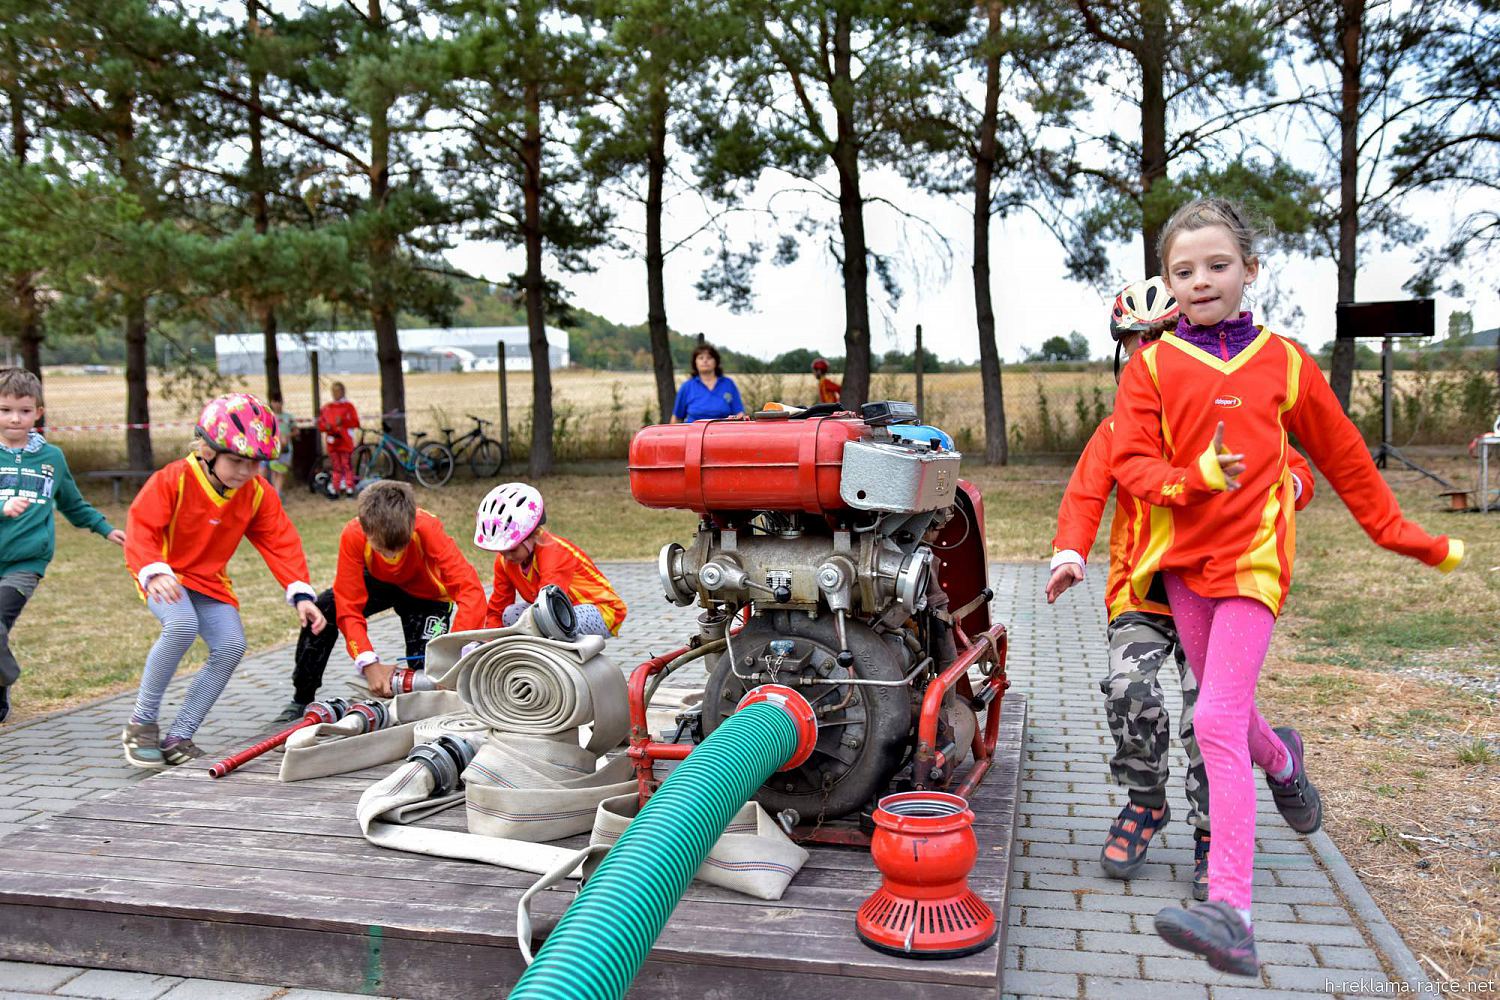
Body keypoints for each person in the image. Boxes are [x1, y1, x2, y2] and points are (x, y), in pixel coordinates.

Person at [1109, 197, 1464, 976]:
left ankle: (1231, 912)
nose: (1201, 281)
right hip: (1184, 570)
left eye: (1217, 265)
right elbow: (1127, 465)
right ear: (1168, 283)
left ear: (1249, 270)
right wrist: (1189, 477)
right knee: (1236, 719)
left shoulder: (1287, 361)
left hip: (1255, 566)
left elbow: (1345, 460)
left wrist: (1404, 534)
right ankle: (1285, 762)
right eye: (1183, 270)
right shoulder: (1154, 368)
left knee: (1213, 718)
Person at [1046, 279, 1316, 902]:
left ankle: (1210, 830)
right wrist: (1069, 554)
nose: (1146, 351)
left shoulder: (1227, 411)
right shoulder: (1118, 429)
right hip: (1143, 590)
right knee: (1128, 689)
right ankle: (1146, 804)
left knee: (1208, 716)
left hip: (1220, 587)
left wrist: (1287, 492)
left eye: (1158, 336)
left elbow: (1291, 467)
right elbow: (1087, 493)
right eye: (1133, 341)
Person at [122, 393, 326, 768]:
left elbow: (280, 540)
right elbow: (142, 527)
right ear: (206, 450)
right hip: (164, 576)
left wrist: (301, 594)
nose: (246, 472)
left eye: (255, 464)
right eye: (236, 461)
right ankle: (141, 725)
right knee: (181, 626)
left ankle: (180, 735)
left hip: (209, 581)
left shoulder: (255, 494)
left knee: (232, 645)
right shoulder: (174, 479)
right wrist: (154, 570)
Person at [282, 480, 485, 717]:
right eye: (382, 549)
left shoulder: (428, 527)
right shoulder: (353, 534)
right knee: (324, 610)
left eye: (401, 546)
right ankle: (301, 698)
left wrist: (451, 653)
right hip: (377, 584)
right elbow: (348, 606)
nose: (393, 555)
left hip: (425, 593)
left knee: (431, 671)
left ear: (412, 523)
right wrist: (368, 663)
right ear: (365, 530)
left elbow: (471, 590)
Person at [0, 368, 126, 725]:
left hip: (26, 562)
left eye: (24, 410)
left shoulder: (51, 459)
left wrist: (104, 528)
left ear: (38, 412)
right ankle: (3, 679)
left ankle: (2, 680)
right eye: (5, 409)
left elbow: (72, 503)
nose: (14, 418)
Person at [475, 482, 626, 638]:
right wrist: (489, 642)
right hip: (559, 611)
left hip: (602, 610)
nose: (506, 556)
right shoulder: (504, 561)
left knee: (552, 623)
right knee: (510, 615)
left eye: (512, 549)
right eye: (501, 550)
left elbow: (548, 606)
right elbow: (497, 610)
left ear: (531, 536)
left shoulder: (555, 552)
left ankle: (560, 659)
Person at [670, 344, 745, 423]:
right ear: (695, 362)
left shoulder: (728, 384)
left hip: (723, 432)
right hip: (694, 434)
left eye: (709, 357)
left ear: (716, 362)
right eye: (700, 358)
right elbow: (676, 418)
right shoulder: (687, 387)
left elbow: (739, 414)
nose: (705, 361)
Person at [317, 381, 360, 497]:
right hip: (333, 442)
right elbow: (321, 424)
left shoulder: (348, 407)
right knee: (336, 466)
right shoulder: (327, 408)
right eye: (333, 391)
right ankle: (335, 488)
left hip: (345, 441)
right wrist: (326, 427)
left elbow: (356, 422)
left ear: (343, 392)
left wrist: (344, 422)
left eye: (338, 391)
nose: (335, 394)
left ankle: (349, 487)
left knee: (346, 465)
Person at [265, 392, 295, 496]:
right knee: (274, 471)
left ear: (282, 403)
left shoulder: (288, 417)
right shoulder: (268, 416)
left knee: (282, 472)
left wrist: (287, 436)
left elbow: (296, 431)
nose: (277, 404)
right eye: (274, 402)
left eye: (279, 402)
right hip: (273, 449)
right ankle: (275, 494)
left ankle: (277, 493)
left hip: (286, 449)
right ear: (271, 403)